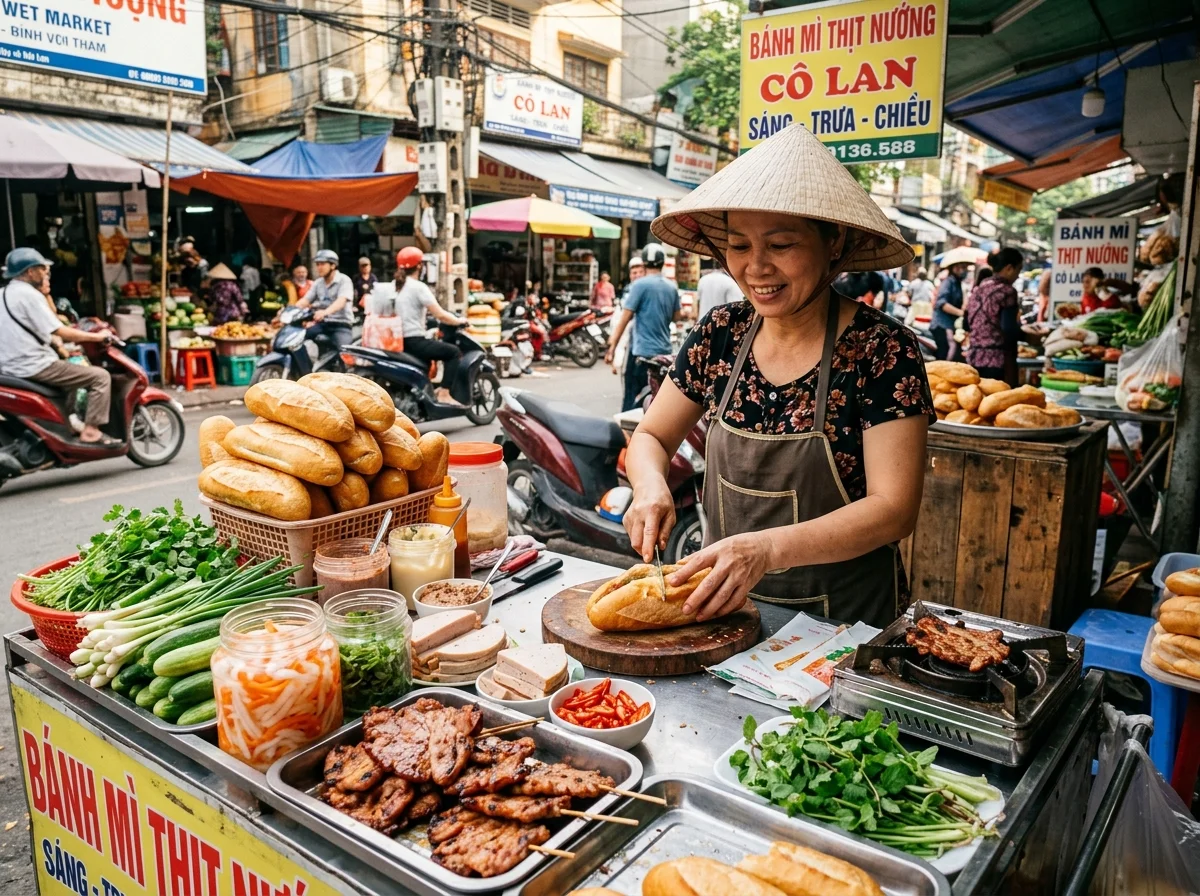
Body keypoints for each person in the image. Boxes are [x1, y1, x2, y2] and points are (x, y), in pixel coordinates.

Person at [622, 124, 932, 627]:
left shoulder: (882, 350)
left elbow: (894, 508)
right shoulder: (720, 333)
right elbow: (653, 435)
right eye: (739, 246)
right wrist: (649, 484)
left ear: (834, 243)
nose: (756, 268)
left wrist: (765, 549)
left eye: (782, 244)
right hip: (722, 616)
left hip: (844, 625)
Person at [0, 249, 118, 445]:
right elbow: (60, 330)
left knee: (69, 378)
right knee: (100, 377)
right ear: (30, 272)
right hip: (33, 365)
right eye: (42, 270)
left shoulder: (4, 293)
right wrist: (97, 337)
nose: (46, 273)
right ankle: (91, 431)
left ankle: (65, 425)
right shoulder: (28, 294)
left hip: (9, 367)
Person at [605, 243, 680, 412]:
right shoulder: (671, 287)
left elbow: (625, 318)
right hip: (664, 355)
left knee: (632, 401)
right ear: (662, 264)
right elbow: (676, 316)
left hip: (641, 354)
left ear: (645, 264)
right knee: (656, 402)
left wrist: (612, 347)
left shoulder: (639, 285)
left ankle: (628, 436)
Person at [390, 246, 468, 405]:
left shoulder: (394, 285)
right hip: (413, 340)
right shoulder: (418, 287)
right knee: (452, 352)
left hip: (395, 341)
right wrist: (459, 321)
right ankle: (444, 393)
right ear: (419, 266)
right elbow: (440, 314)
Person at [965, 248, 1024, 385]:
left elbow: (968, 322)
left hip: (974, 358)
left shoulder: (979, 288)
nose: (1018, 276)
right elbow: (1008, 329)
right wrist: (1029, 336)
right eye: (1018, 270)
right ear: (1009, 268)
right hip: (997, 361)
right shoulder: (1007, 290)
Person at [297, 250, 355, 352]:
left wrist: (325, 312)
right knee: (298, 338)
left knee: (345, 353)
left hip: (341, 324)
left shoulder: (344, 280)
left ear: (332, 266)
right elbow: (305, 300)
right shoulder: (318, 283)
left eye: (322, 264)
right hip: (323, 323)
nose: (319, 267)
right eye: (317, 264)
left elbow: (341, 301)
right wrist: (289, 310)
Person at [932, 262, 969, 360]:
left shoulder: (958, 284)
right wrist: (960, 313)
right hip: (942, 324)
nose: (965, 271)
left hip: (950, 324)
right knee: (948, 352)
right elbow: (942, 304)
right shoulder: (948, 282)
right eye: (963, 267)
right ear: (955, 268)